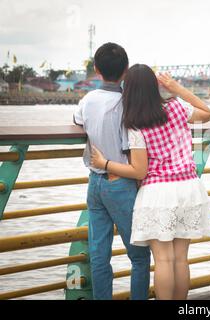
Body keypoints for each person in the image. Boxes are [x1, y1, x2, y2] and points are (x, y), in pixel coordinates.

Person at [90, 64, 210, 300]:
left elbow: (139, 170)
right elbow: (207, 113)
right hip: (189, 187)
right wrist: (177, 89)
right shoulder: (176, 108)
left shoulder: (136, 123)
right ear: (156, 86)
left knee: (164, 260)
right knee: (180, 258)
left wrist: (104, 163)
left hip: (159, 192)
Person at [73, 43, 151, 300]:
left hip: (95, 183)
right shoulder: (127, 104)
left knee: (99, 255)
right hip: (121, 183)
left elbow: (77, 121)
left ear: (96, 70)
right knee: (139, 256)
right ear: (126, 70)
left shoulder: (87, 100)